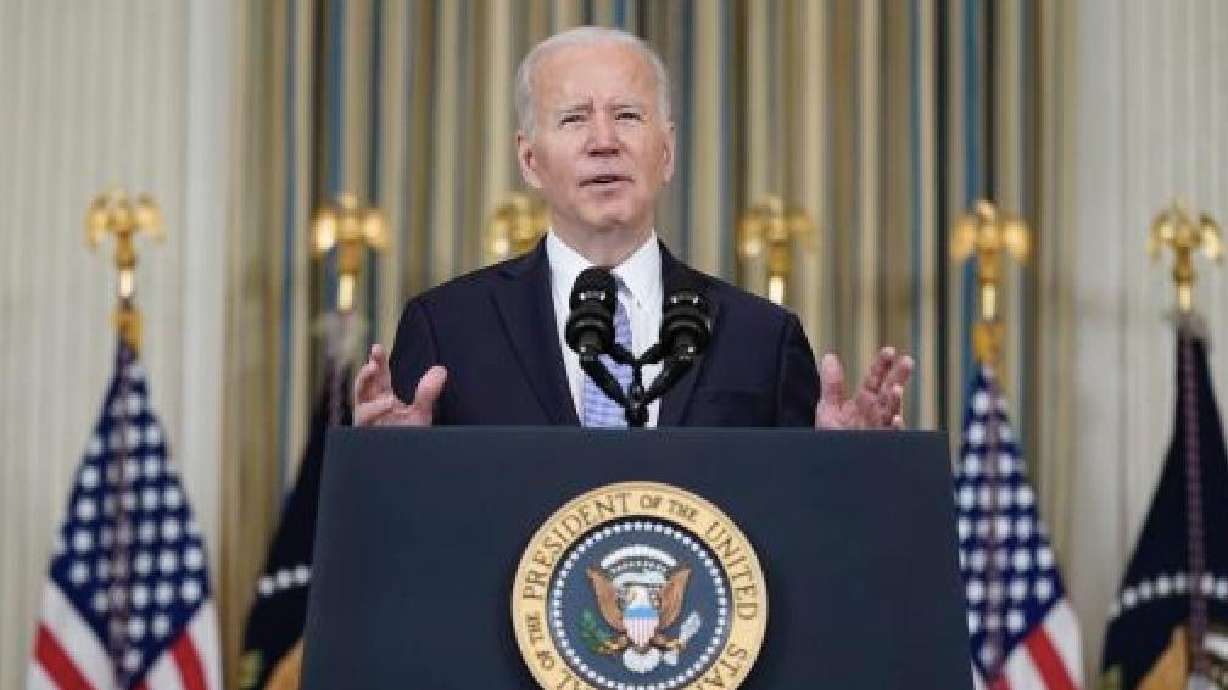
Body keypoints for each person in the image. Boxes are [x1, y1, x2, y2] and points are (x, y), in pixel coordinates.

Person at [354, 26, 912, 429]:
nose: (604, 141)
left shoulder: (760, 339)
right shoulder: (447, 328)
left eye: (627, 116)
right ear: (530, 161)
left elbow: (800, 532)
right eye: (574, 118)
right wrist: (391, 465)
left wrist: (845, 465)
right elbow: (400, 541)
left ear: (665, 153)